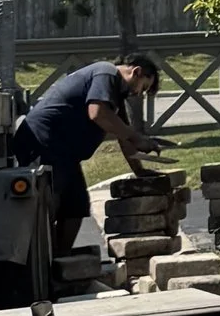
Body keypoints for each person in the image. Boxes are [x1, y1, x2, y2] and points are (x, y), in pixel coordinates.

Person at [13, 53, 164, 255]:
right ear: (136, 72)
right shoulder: (106, 73)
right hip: (44, 142)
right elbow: (98, 113)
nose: (138, 93)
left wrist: (140, 171)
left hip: (65, 152)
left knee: (76, 206)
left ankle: (60, 260)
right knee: (49, 204)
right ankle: (39, 262)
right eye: (142, 87)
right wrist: (137, 137)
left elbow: (122, 135)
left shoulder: (115, 94)